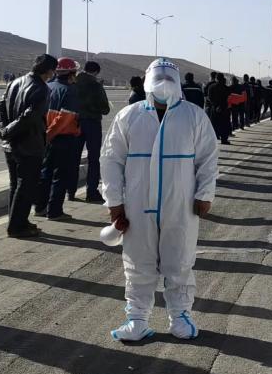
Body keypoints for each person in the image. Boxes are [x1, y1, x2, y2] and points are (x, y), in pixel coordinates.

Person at [101, 58, 218, 342]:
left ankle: (180, 316)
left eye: (169, 78)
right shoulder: (129, 116)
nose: (164, 84)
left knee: (179, 260)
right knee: (138, 262)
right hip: (137, 204)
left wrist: (204, 194)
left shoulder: (193, 116)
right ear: (148, 82)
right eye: (158, 78)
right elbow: (111, 159)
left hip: (180, 203)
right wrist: (114, 201)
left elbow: (208, 158)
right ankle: (137, 319)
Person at [0, 54, 57, 238]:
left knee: (16, 185)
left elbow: (0, 108)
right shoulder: (41, 88)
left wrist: (5, 130)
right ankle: (16, 226)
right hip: (29, 143)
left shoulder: (14, 82)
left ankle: (18, 220)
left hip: (11, 143)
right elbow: (30, 116)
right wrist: (7, 131)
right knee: (26, 186)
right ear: (49, 71)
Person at [33, 57, 82, 220]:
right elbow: (64, 119)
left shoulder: (48, 86)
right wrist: (50, 135)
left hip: (46, 137)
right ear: (71, 73)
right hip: (62, 138)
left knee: (45, 173)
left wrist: (45, 136)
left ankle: (40, 207)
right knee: (60, 176)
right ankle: (55, 211)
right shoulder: (70, 90)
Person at [73, 61, 110, 203]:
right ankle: (91, 192)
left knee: (73, 157)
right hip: (92, 123)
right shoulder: (96, 85)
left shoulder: (73, 82)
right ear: (95, 72)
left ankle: (70, 190)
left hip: (75, 123)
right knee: (94, 158)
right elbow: (105, 109)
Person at [206, 73, 230, 144]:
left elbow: (209, 98)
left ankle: (214, 139)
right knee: (224, 124)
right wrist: (222, 106)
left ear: (216, 78)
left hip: (214, 108)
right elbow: (228, 99)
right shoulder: (226, 88)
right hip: (224, 108)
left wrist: (216, 105)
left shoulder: (211, 87)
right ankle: (224, 139)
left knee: (214, 124)